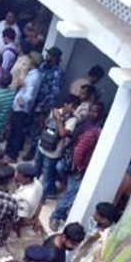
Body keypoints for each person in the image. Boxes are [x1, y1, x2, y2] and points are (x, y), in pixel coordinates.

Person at [49, 101, 104, 230]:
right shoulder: (92, 131)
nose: (92, 113)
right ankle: (56, 216)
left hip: (68, 162)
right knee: (71, 194)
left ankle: (61, 213)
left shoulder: (85, 124)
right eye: (92, 110)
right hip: (76, 167)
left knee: (69, 191)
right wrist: (79, 168)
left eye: (95, 111)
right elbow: (79, 151)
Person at [25, 47, 65, 160]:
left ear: (55, 58)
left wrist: (43, 106)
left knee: (37, 128)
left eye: (49, 55)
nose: (46, 57)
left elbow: (54, 94)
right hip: (34, 100)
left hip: (43, 105)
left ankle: (32, 151)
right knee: (27, 124)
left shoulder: (58, 72)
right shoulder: (43, 66)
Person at [5, 52, 43, 162]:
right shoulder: (36, 75)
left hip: (20, 108)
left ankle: (12, 155)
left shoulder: (32, 77)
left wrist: (22, 100)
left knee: (16, 132)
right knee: (17, 131)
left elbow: (29, 95)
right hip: (23, 108)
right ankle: (10, 153)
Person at [12, 162, 43, 233]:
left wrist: (18, 225)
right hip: (32, 213)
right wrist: (36, 218)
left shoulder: (24, 198)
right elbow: (40, 202)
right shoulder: (37, 184)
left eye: (19, 175)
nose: (16, 176)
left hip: (24, 216)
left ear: (28, 179)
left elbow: (21, 218)